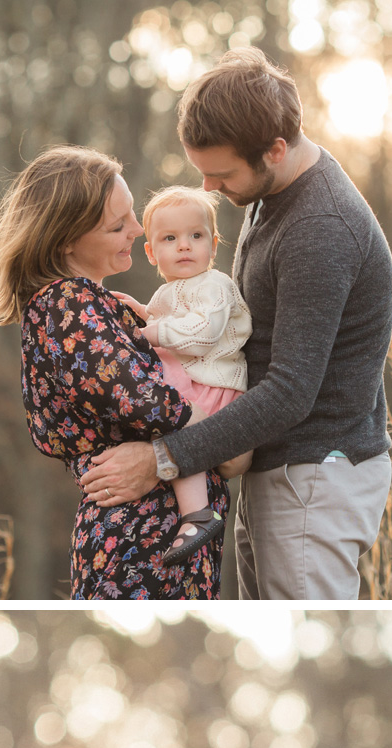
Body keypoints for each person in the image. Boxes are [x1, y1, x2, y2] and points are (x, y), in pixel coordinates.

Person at [80, 50, 392, 601]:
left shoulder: (319, 228)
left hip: (315, 478)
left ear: (274, 149)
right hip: (276, 467)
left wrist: (162, 460)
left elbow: (291, 393)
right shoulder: (273, 191)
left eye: (221, 173)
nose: (207, 185)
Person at [0, 146, 243, 600]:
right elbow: (150, 403)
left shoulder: (94, 304)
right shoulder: (68, 305)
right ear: (66, 239)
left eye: (132, 216)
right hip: (143, 534)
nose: (138, 230)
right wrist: (232, 444)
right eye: (117, 225)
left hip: (163, 527)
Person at [129, 185, 253, 566]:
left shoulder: (216, 285)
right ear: (151, 252)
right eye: (170, 238)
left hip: (215, 386)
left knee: (176, 421)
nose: (184, 246)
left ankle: (196, 513)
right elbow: (163, 319)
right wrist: (138, 313)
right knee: (163, 412)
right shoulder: (171, 290)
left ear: (213, 245)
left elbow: (201, 334)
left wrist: (151, 333)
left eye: (195, 236)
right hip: (195, 379)